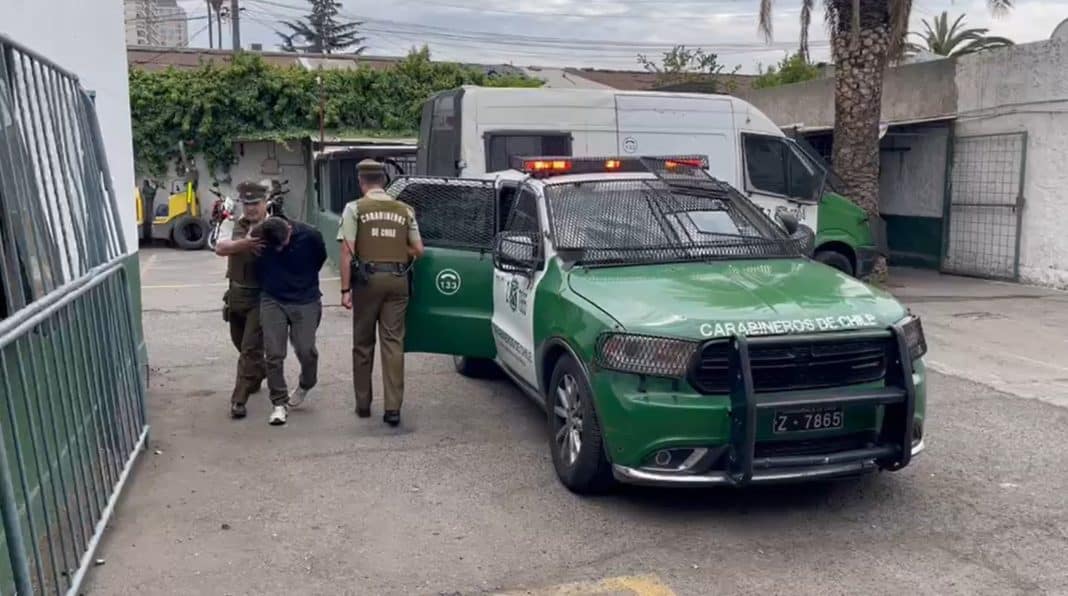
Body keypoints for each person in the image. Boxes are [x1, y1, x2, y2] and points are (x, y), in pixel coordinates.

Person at [338, 159, 424, 426]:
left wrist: (344, 289)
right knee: (393, 343)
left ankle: (363, 404)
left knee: (363, 344)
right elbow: (419, 250)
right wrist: (398, 254)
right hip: (398, 281)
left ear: (361, 182)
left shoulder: (355, 209)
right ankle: (393, 409)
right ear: (384, 181)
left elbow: (347, 251)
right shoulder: (405, 210)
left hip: (367, 281)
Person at [251, 216, 328, 426]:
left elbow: (320, 259)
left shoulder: (311, 236)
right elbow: (256, 264)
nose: (279, 249)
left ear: (289, 230)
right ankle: (279, 404)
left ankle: (306, 382)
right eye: (274, 246)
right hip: (272, 298)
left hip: (306, 298)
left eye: (283, 244)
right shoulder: (259, 237)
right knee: (274, 354)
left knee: (306, 349)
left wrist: (302, 282)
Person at [214, 179, 269, 420]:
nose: (251, 209)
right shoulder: (232, 223)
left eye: (255, 203)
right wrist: (243, 244)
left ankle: (238, 400)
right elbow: (220, 247)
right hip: (236, 294)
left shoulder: (275, 225)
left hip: (261, 296)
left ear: (265, 203)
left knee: (248, 349)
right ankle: (260, 372)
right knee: (241, 345)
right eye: (247, 204)